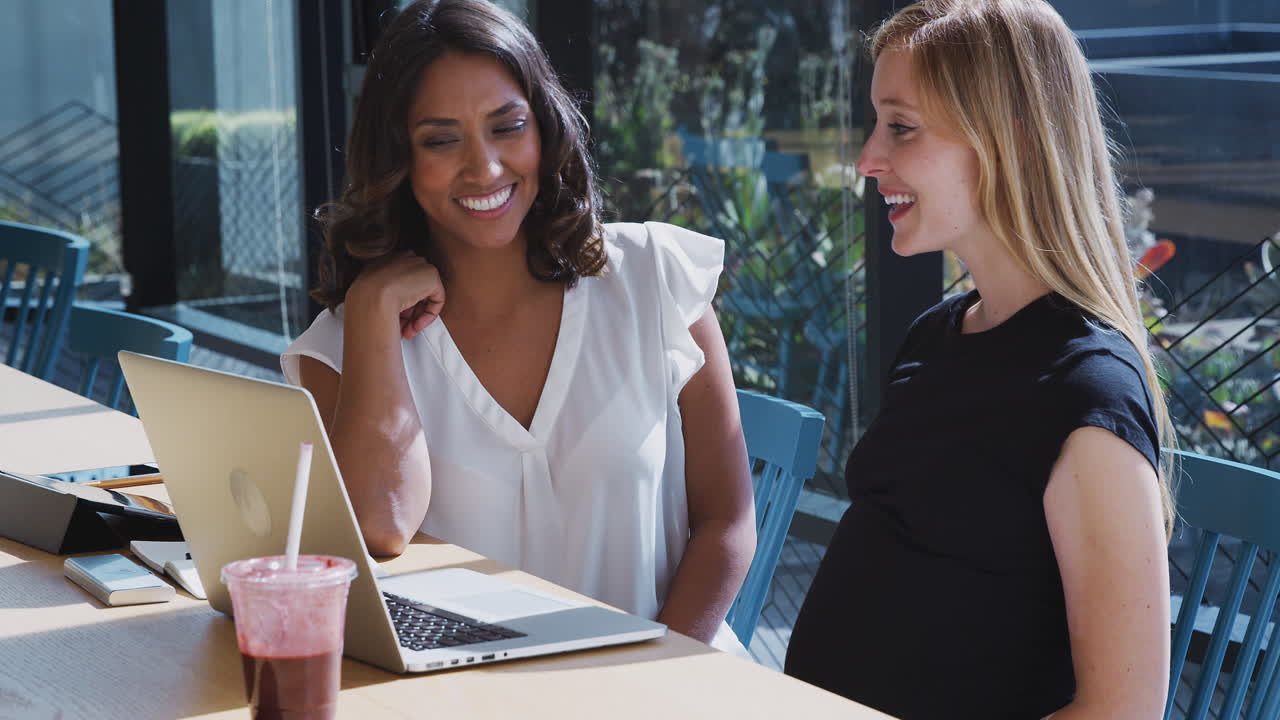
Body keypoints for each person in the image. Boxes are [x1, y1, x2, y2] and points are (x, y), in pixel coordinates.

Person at [280, 0, 755, 655]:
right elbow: (377, 528)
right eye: (441, 139)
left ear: (545, 127)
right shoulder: (341, 347)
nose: (485, 168)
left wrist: (656, 678)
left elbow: (727, 523)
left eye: (508, 126)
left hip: (673, 678)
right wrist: (368, 314)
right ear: (397, 156)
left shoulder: (656, 279)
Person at [784, 0, 1174, 717]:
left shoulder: (1086, 395)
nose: (868, 158)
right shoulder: (938, 335)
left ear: (1012, 141)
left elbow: (1122, 711)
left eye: (900, 128)